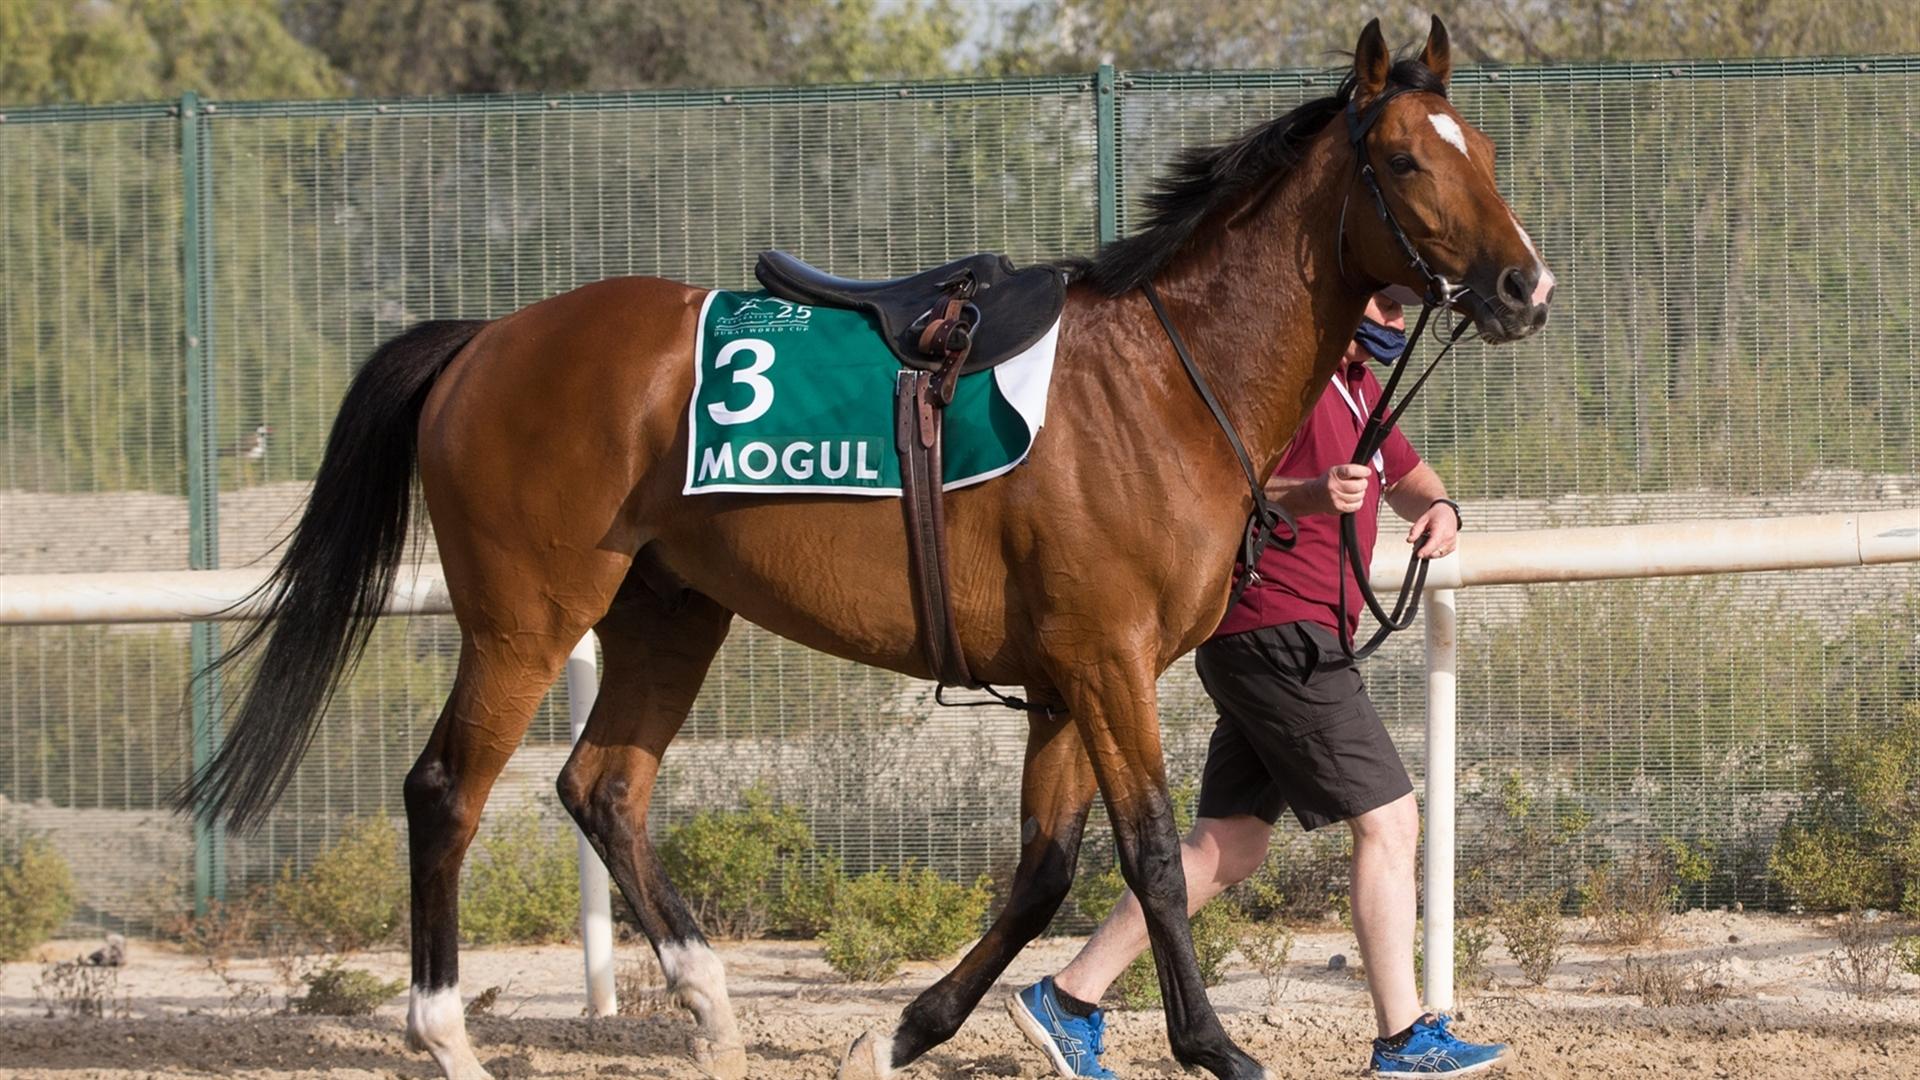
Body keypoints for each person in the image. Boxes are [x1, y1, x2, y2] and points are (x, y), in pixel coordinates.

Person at [1009, 290, 1510, 1078]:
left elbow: (1409, 473)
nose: (1393, 321)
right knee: (1390, 821)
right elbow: (1216, 489)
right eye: (1381, 304)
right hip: (1279, 631)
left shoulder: (1361, 392)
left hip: (1282, 638)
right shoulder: (1291, 384)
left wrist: (1442, 507)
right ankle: (1404, 1038)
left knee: (1228, 844)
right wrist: (1305, 497)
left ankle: (1067, 1000)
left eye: (1400, 309)